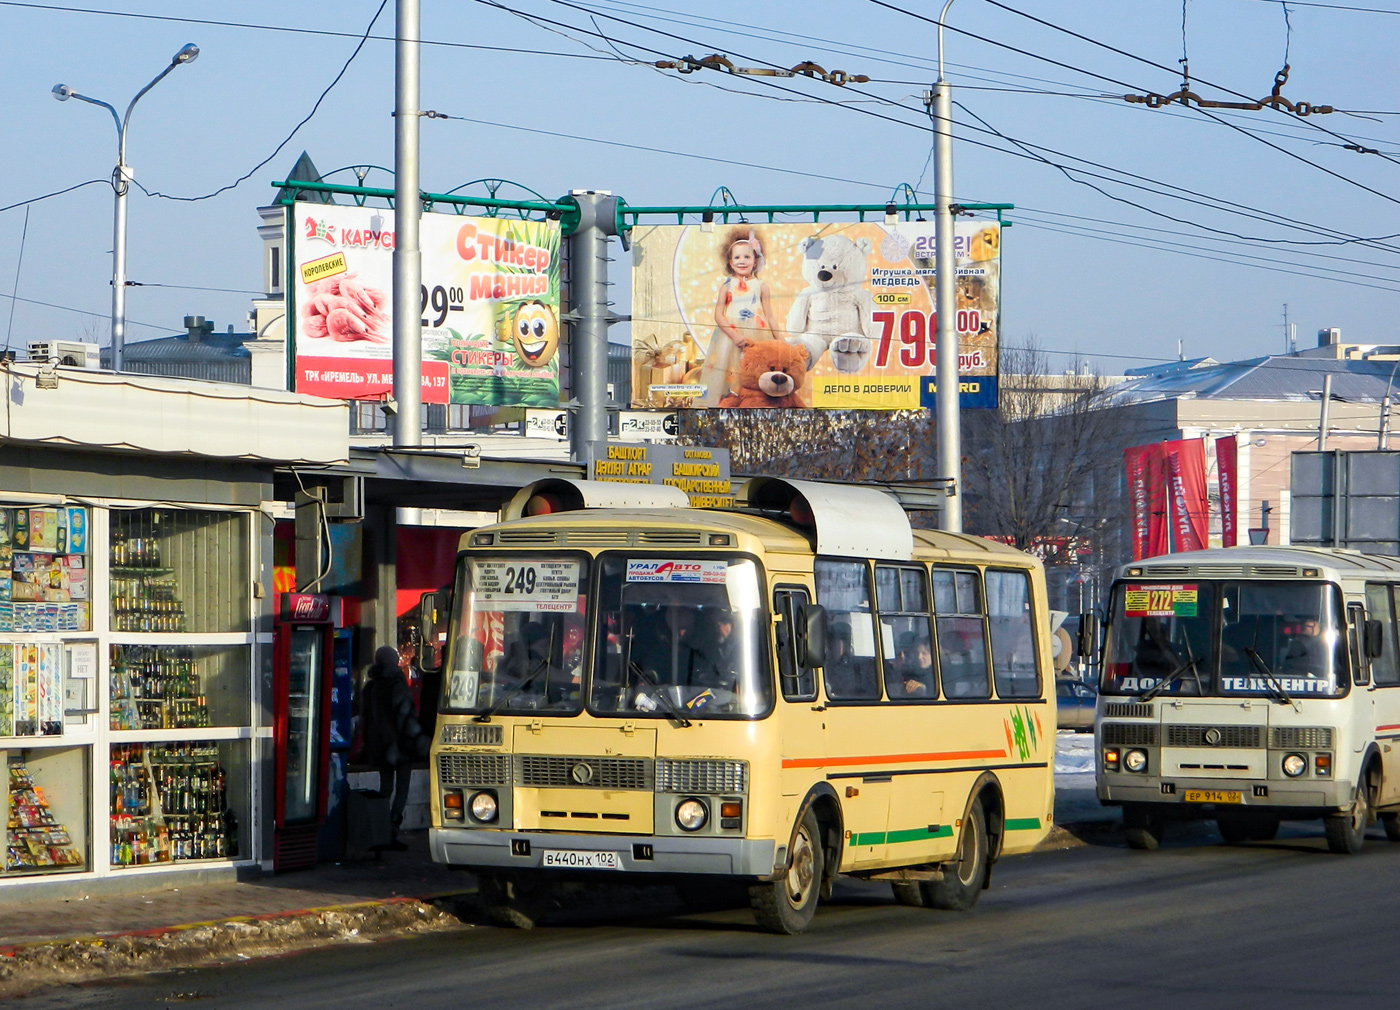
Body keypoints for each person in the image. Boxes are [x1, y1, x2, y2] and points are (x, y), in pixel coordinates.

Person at [698, 228, 782, 406]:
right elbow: (719, 316)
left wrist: (781, 341)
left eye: (747, 257)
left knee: (754, 373)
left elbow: (770, 316)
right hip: (729, 339)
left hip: (757, 336)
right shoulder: (727, 286)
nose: (742, 261)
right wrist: (735, 336)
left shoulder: (761, 286)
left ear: (755, 260)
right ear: (730, 261)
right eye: (737, 257)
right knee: (728, 372)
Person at [359, 646, 429, 850]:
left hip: (380, 747)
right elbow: (406, 717)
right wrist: (418, 740)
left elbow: (364, 720)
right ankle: (392, 829)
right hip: (401, 746)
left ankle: (380, 831)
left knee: (385, 788)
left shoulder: (370, 687)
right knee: (402, 789)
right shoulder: (397, 684)